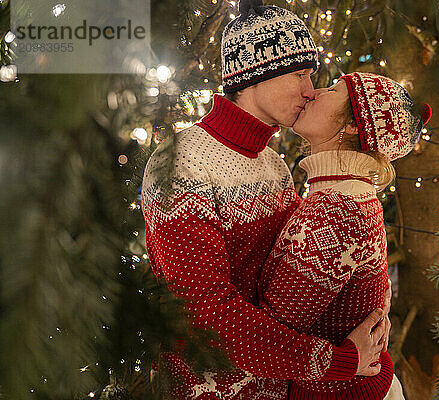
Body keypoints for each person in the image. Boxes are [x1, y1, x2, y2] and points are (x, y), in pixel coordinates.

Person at [141, 1, 392, 398]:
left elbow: (302, 277)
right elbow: (205, 316)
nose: (310, 91)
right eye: (300, 74)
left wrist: (371, 313)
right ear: (254, 76)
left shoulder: (274, 165)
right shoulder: (181, 162)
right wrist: (338, 360)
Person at [257, 72, 431, 400]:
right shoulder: (348, 194)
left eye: (332, 90)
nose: (313, 93)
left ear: (352, 125)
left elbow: (271, 337)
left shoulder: (337, 209)